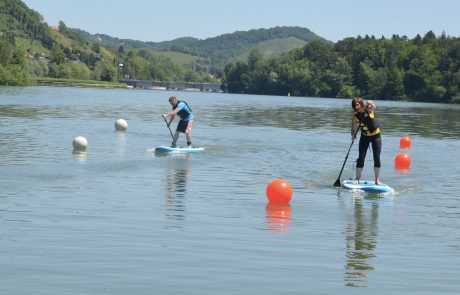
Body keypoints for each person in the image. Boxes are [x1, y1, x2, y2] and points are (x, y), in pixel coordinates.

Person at [351, 96, 382, 185]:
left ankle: (377, 180)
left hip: (376, 136)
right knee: (361, 157)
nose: (355, 107)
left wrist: (371, 103)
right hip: (364, 136)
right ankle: (357, 179)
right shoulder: (355, 116)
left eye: (357, 104)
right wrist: (353, 135)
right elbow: (353, 127)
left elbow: (374, 107)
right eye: (354, 105)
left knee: (377, 157)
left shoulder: (368, 109)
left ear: (361, 104)